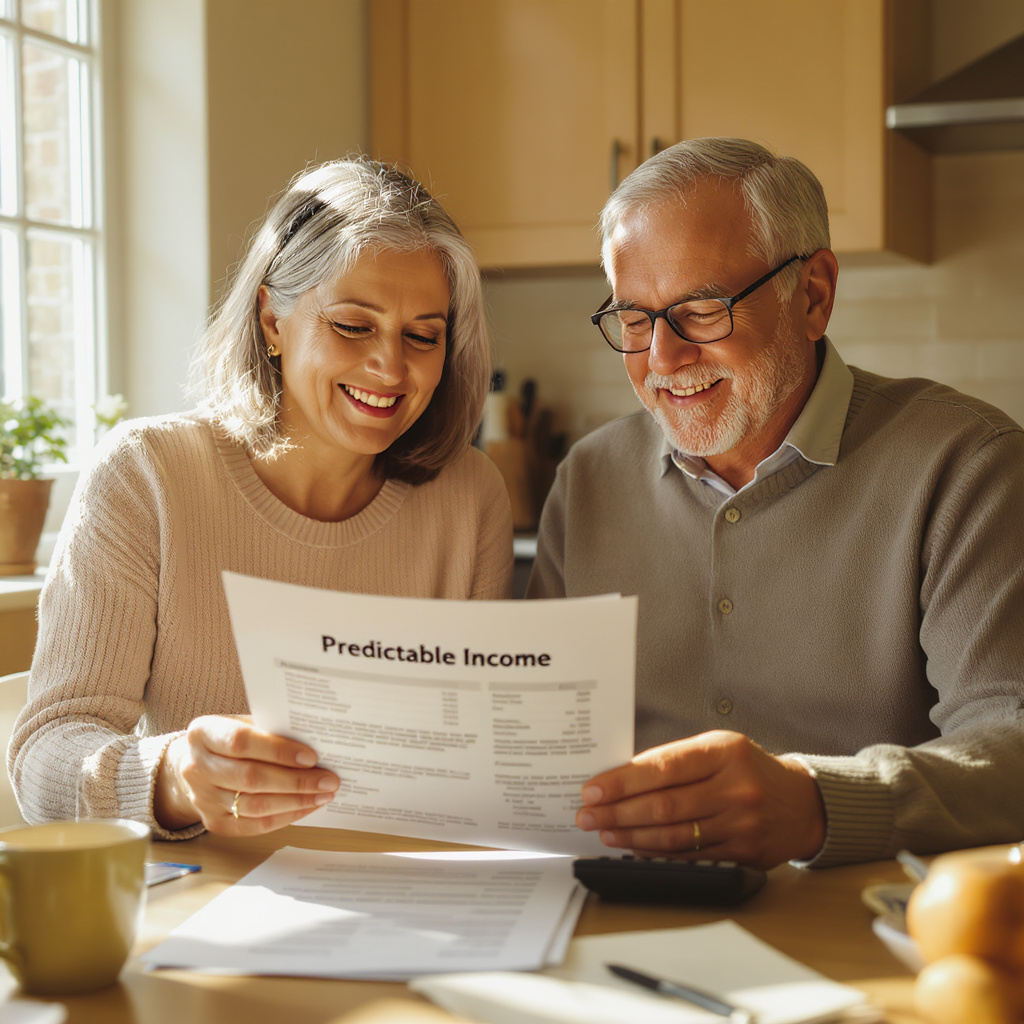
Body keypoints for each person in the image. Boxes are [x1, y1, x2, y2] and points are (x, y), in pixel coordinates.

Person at [527, 137, 1024, 869]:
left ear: (813, 294)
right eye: (634, 320)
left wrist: (818, 801)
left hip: (860, 918)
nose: (662, 360)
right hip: (621, 906)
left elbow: (1010, 741)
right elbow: (538, 733)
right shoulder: (588, 480)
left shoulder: (968, 466)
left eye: (700, 309)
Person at [10, 157, 513, 839]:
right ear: (272, 319)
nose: (391, 368)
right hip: (206, 905)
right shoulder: (148, 475)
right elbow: (47, 758)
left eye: (422, 335)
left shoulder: (469, 497)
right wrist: (174, 775)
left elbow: (483, 762)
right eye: (353, 326)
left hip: (413, 897)